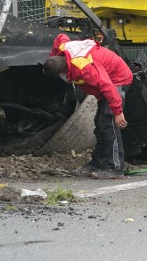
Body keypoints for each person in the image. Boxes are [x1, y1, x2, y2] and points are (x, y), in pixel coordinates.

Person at [43, 33, 133, 179]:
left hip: (118, 79)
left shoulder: (84, 67)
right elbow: (60, 36)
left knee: (108, 124)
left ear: (61, 73)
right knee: (100, 123)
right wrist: (53, 55)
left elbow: (107, 86)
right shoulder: (63, 48)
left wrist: (117, 112)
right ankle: (98, 162)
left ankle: (115, 168)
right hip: (108, 77)